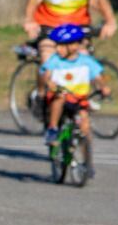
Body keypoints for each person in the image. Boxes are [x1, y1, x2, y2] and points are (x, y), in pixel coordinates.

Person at [38, 24, 110, 158]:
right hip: (61, 96)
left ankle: (86, 158)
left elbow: (98, 75)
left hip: (79, 99)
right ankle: (52, 128)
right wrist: (49, 83)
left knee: (85, 124)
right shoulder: (55, 60)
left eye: (62, 45)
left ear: (75, 45)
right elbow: (46, 74)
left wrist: (103, 86)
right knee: (59, 99)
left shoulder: (85, 61)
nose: (58, 49)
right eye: (57, 45)